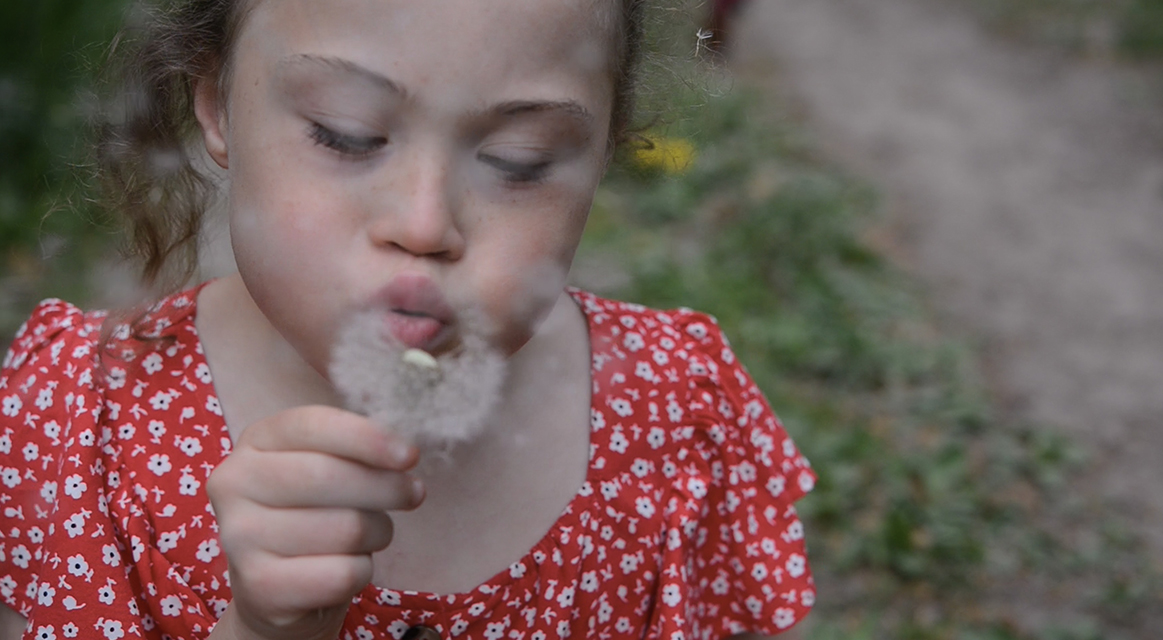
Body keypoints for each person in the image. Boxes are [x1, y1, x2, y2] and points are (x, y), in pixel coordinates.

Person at [0, 0, 817, 638]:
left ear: (604, 148)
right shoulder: (83, 424)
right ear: (215, 103)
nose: (425, 226)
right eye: (347, 136)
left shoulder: (678, 415)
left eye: (518, 162)